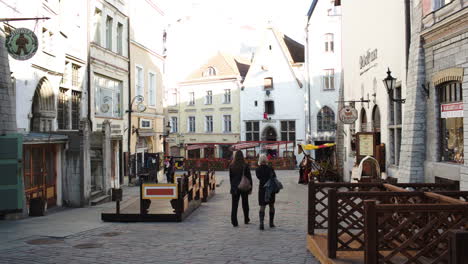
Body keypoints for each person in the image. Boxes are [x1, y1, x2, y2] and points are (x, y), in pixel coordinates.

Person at [229, 150, 252, 227]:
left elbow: (231, 178)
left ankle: (234, 221)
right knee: (245, 203)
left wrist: (232, 187)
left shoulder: (231, 165)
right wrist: (250, 187)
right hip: (243, 186)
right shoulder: (245, 165)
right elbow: (249, 177)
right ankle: (246, 219)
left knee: (234, 205)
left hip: (235, 187)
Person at [256, 154, 277, 230]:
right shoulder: (270, 168)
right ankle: (271, 223)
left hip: (262, 189)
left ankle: (261, 224)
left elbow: (259, 177)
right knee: (271, 205)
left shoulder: (257, 169)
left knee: (262, 206)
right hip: (270, 188)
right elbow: (274, 177)